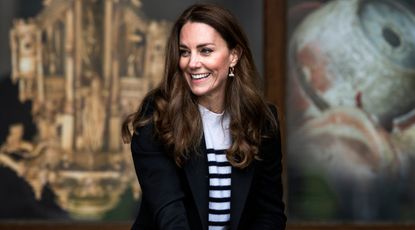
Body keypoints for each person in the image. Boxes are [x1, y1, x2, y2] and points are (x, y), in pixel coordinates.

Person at [122, 3, 286, 230]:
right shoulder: (156, 117)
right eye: (184, 52)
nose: (192, 63)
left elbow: (269, 214)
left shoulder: (262, 120)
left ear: (234, 56)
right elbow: (171, 217)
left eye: (205, 50)